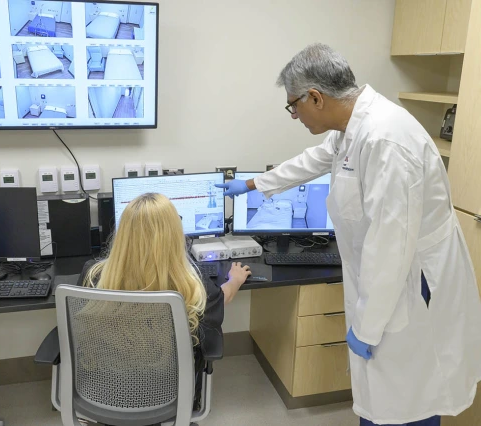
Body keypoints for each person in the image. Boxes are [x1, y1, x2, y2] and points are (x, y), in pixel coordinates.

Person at [216, 43, 481, 426]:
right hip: (387, 279)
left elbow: (390, 246)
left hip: (411, 285)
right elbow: (315, 161)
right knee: (384, 395)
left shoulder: (386, 140)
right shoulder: (353, 127)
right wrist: (254, 184)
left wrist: (368, 326)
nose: (294, 115)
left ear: (315, 97)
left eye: (293, 105)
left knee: (409, 397)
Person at [77, 192, 251, 412]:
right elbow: (218, 299)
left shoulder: (93, 275)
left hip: (103, 392)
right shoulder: (191, 284)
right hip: (169, 392)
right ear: (174, 234)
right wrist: (234, 280)